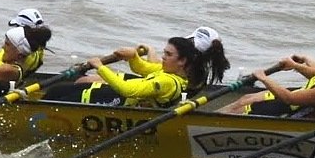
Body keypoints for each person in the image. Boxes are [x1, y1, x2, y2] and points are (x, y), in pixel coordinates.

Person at [44, 26, 230, 107]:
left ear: (185, 59)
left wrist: (100, 66)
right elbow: (146, 68)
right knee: (63, 88)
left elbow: (127, 89)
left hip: (127, 100)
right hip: (136, 95)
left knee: (54, 96)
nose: (163, 58)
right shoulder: (179, 69)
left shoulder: (174, 78)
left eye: (168, 54)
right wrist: (133, 58)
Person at [220, 40, 315, 118]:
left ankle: (206, 123)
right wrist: (301, 61)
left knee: (239, 110)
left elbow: (289, 98)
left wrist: (263, 78)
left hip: (294, 109)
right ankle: (205, 117)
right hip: (298, 97)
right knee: (246, 98)